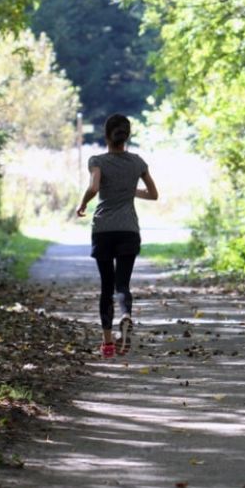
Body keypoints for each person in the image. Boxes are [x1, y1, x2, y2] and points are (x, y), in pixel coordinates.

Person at [76, 114, 159, 359]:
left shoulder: (97, 160)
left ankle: (108, 344)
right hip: (128, 230)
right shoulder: (137, 162)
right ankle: (126, 315)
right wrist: (129, 190)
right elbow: (153, 194)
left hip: (103, 230)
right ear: (127, 135)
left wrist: (82, 205)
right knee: (123, 284)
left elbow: (94, 187)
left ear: (106, 135)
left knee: (106, 287)